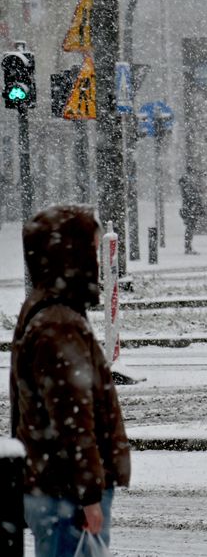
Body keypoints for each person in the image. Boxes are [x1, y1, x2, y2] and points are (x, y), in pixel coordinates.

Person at [10, 205, 131, 556]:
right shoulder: (59, 323)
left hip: (53, 487)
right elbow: (73, 417)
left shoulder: (44, 309)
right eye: (91, 250)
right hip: (66, 496)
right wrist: (88, 495)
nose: (95, 261)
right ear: (71, 253)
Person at [179, 171, 203, 255]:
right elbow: (193, 198)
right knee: (190, 228)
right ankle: (188, 247)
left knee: (190, 228)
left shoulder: (186, 188)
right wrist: (196, 206)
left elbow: (192, 198)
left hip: (189, 210)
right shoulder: (188, 188)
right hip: (191, 210)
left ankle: (188, 246)